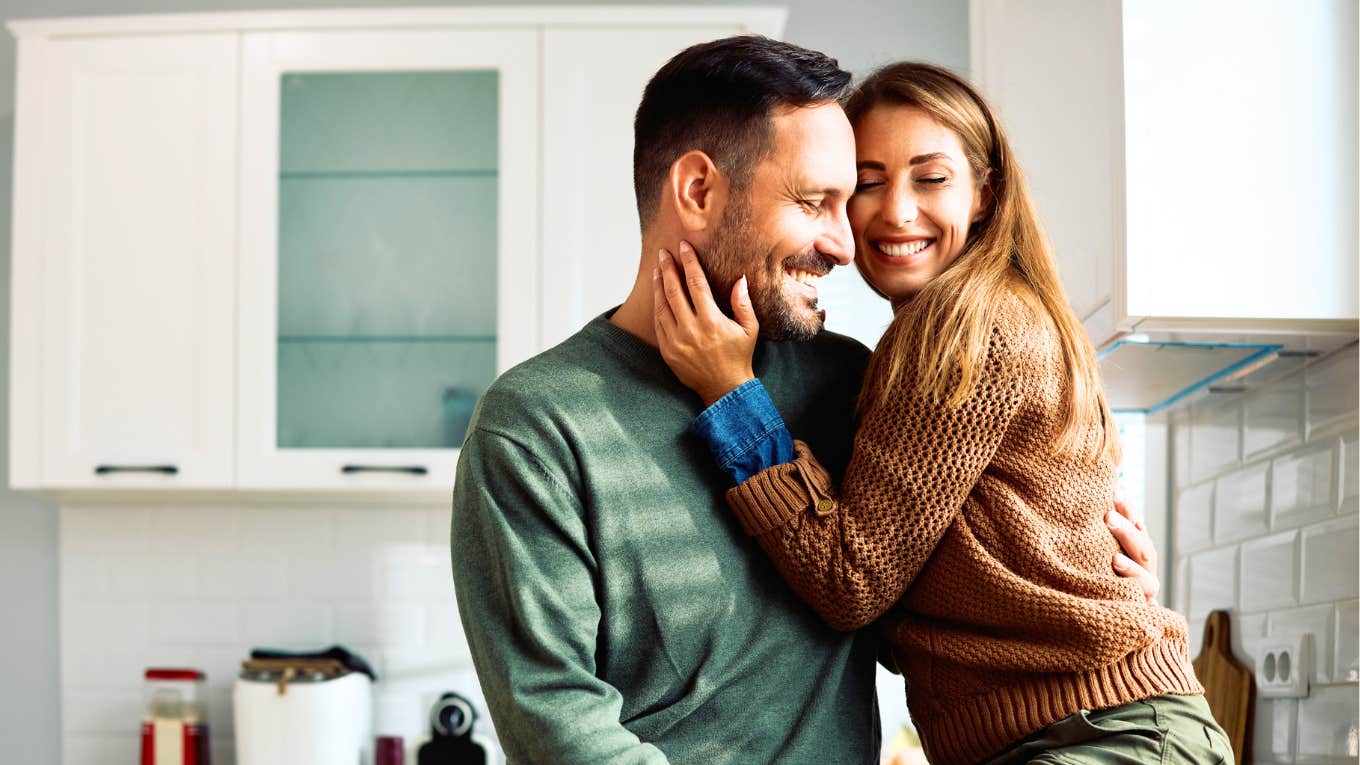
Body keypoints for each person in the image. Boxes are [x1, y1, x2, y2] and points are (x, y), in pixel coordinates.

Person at [451, 38, 1161, 763]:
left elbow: (908, 604)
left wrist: (1088, 585)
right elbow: (560, 725)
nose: (846, 243)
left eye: (842, 202)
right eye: (817, 201)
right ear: (698, 192)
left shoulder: (852, 381)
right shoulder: (535, 428)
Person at [650, 62, 1230, 764]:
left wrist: (730, 394)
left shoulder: (964, 328)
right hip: (1097, 731)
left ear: (984, 194)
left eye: (931, 178)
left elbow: (851, 582)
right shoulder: (972, 321)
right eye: (868, 181)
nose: (896, 210)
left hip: (1104, 737)